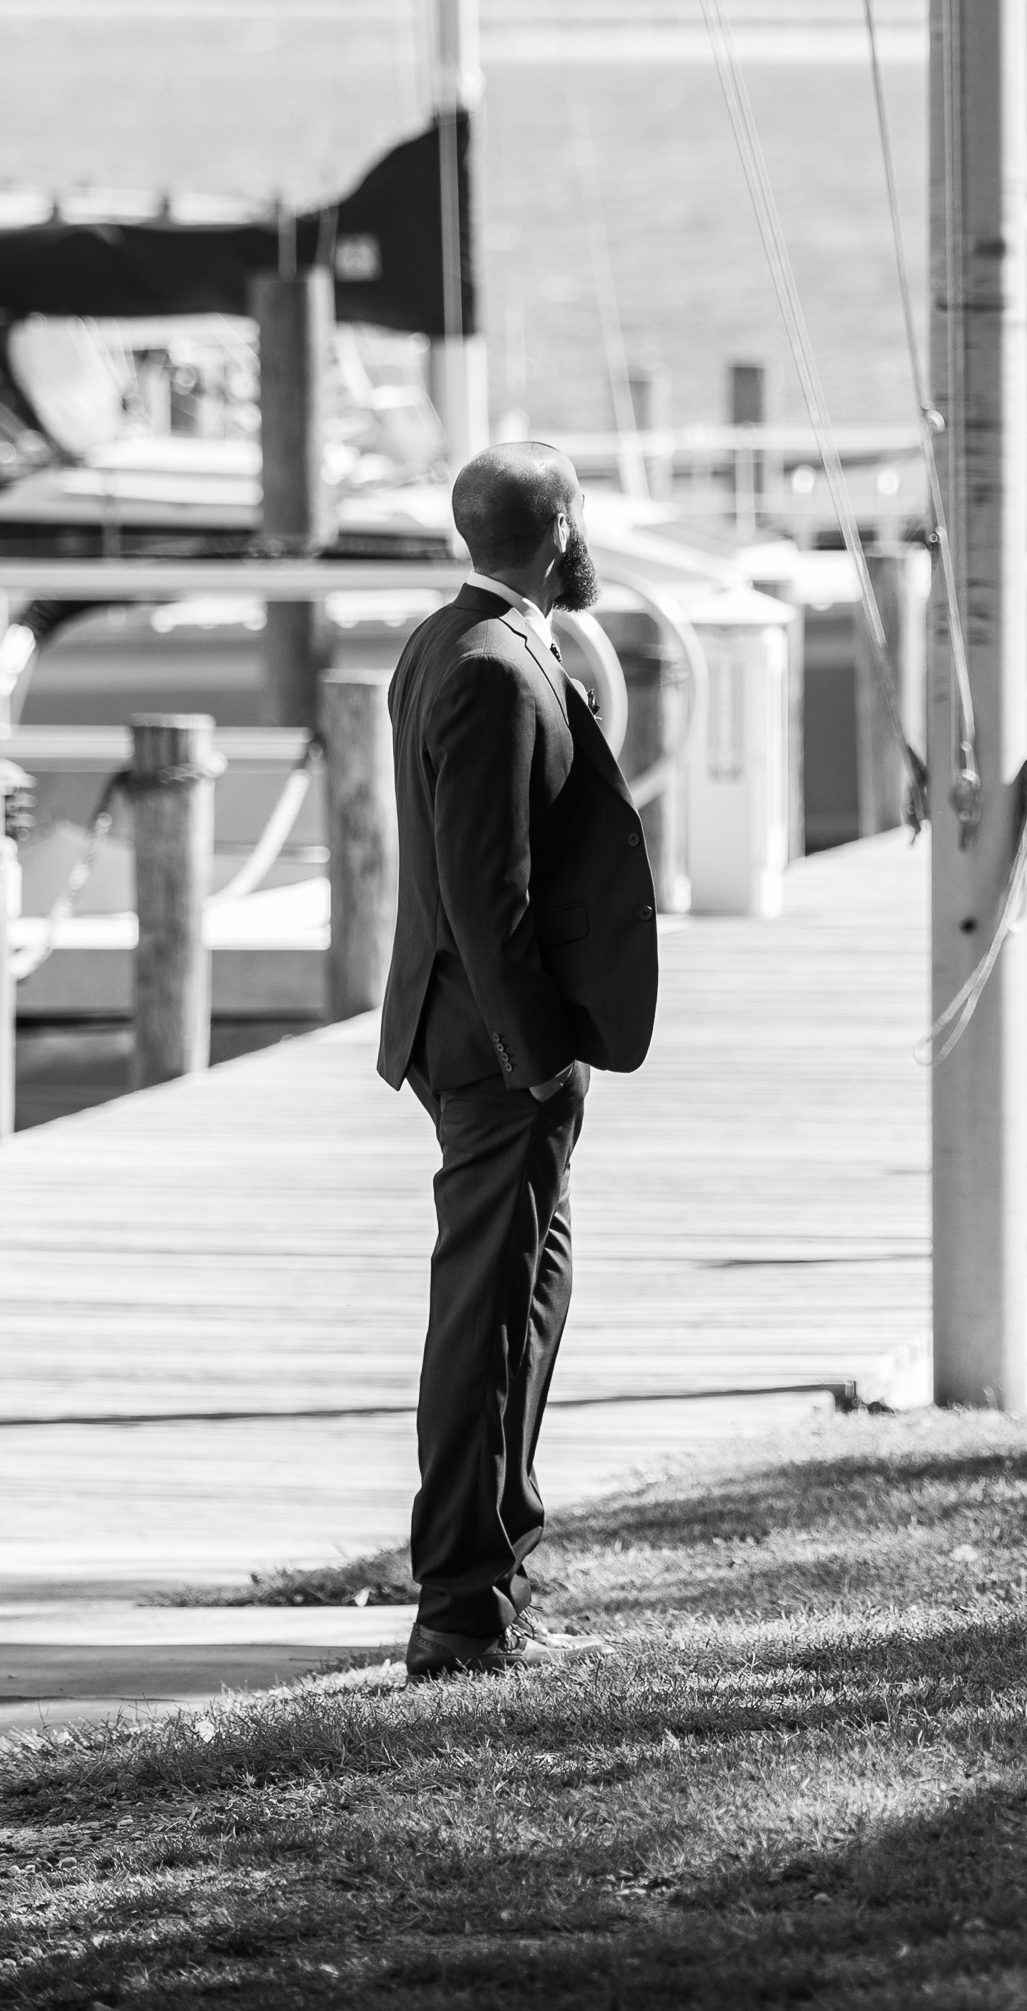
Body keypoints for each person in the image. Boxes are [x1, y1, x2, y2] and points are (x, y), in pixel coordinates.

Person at [378, 442, 659, 1680]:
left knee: (525, 1304)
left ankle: (500, 1569)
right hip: (494, 1047)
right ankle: (458, 1608)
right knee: (485, 1316)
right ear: (559, 530)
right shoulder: (489, 666)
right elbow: (482, 895)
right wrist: (537, 1050)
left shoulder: (464, 639)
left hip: (495, 1039)